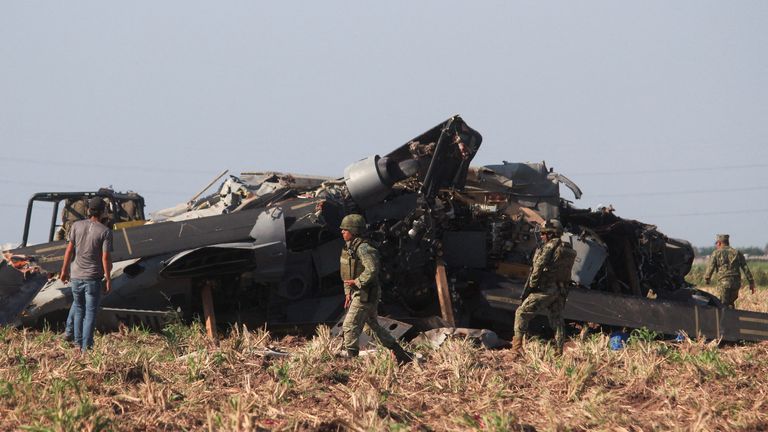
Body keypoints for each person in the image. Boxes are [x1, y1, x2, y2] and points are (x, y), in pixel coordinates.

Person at [339, 214, 413, 364]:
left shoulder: (363, 248)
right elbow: (347, 273)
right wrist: (348, 292)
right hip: (359, 292)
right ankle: (400, 353)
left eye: (345, 229)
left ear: (353, 231)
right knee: (372, 327)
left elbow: (372, 269)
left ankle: (351, 360)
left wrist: (358, 282)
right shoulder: (350, 248)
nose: (342, 232)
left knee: (349, 325)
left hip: (365, 293)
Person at [511, 219, 576, 357]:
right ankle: (558, 351)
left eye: (544, 233)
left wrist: (532, 285)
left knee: (521, 313)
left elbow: (538, 266)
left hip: (547, 289)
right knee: (557, 320)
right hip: (560, 290)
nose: (541, 236)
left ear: (551, 234)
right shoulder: (567, 249)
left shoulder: (549, 247)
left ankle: (516, 349)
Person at [60, 197, 113, 351]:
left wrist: (64, 270)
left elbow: (69, 250)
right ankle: (86, 347)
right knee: (90, 312)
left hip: (76, 275)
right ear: (103, 212)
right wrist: (108, 279)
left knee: (78, 308)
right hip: (93, 278)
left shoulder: (76, 226)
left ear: (89, 210)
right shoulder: (105, 232)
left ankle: (77, 344)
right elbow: (105, 257)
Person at [704, 234, 755, 308]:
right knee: (731, 303)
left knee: (723, 305)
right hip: (736, 283)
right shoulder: (737, 252)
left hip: (723, 283)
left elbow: (710, 267)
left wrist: (707, 279)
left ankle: (726, 319)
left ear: (719, 243)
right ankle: (733, 318)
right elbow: (745, 268)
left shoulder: (716, 253)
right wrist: (751, 282)